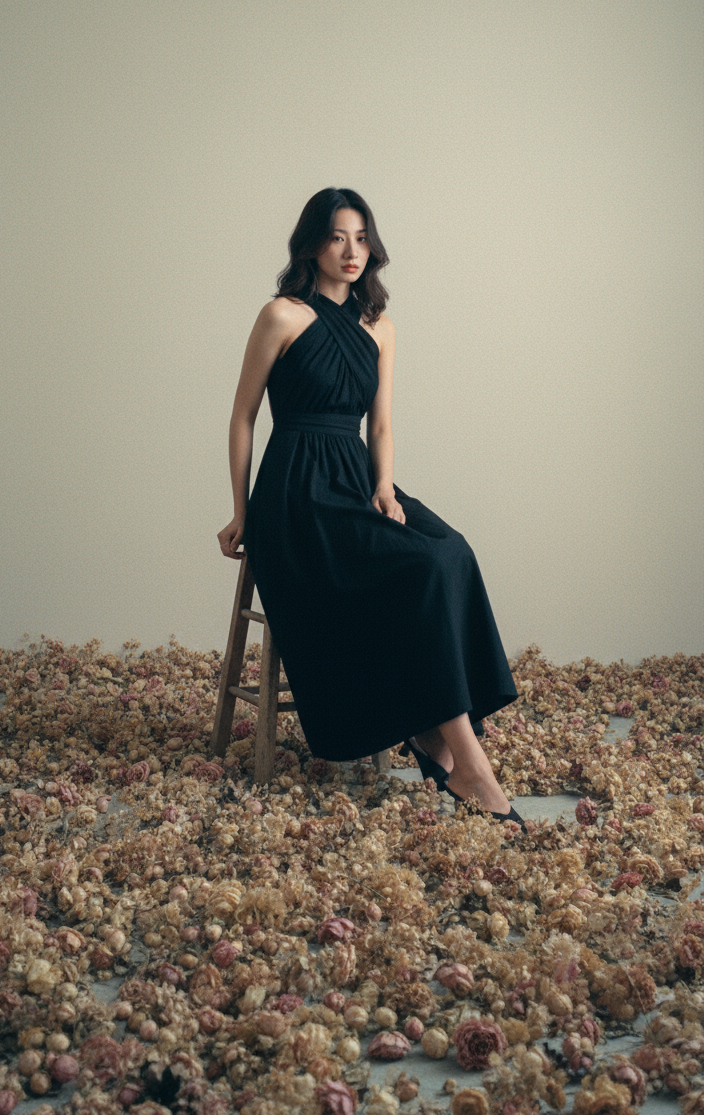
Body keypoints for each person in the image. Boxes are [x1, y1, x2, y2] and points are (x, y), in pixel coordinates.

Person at [217, 187, 523, 824]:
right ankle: (466, 764)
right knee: (417, 570)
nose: (351, 251)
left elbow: (379, 426)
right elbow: (244, 416)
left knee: (447, 553)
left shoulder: (378, 326)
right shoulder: (281, 315)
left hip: (355, 475)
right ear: (312, 245)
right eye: (336, 237)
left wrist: (384, 488)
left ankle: (435, 735)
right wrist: (242, 510)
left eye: (361, 238)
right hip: (297, 491)